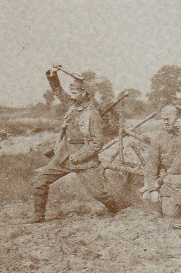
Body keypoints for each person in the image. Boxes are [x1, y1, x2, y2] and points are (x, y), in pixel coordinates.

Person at [29, 66, 119, 223]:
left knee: (99, 194)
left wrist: (78, 156)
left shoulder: (92, 114)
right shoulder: (72, 106)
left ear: (84, 93)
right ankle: (38, 216)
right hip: (63, 157)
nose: (72, 96)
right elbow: (58, 91)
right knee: (40, 180)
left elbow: (96, 143)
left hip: (84, 161)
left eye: (76, 93)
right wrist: (52, 77)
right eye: (72, 93)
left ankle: (118, 211)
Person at [137, 105, 181, 207]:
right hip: (164, 179)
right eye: (164, 119)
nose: (166, 122)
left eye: (168, 119)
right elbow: (151, 167)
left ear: (177, 119)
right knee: (151, 199)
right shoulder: (158, 140)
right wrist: (153, 189)